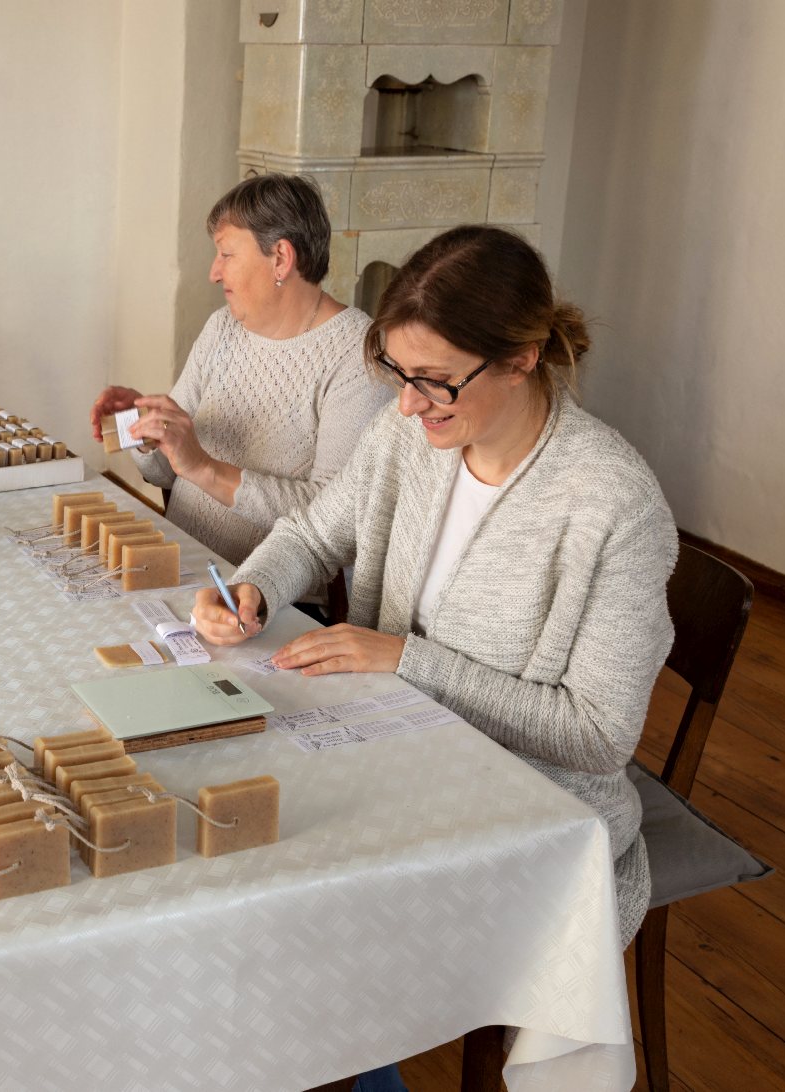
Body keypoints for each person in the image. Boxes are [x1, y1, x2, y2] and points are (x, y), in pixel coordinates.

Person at [194, 223, 677, 954]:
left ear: (521, 358)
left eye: (435, 379)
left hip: (530, 812)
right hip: (391, 748)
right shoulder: (410, 437)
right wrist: (253, 586)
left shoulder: (615, 504)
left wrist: (405, 659)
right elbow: (314, 534)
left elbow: (599, 735)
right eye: (398, 373)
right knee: (236, 847)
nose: (409, 405)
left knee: (304, 914)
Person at [89, 173, 387, 568]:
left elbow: (335, 520)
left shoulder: (357, 356)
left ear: (280, 259)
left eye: (226, 255)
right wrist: (141, 427)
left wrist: (205, 468)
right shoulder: (222, 328)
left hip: (262, 590)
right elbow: (165, 473)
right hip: (177, 558)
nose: (214, 272)